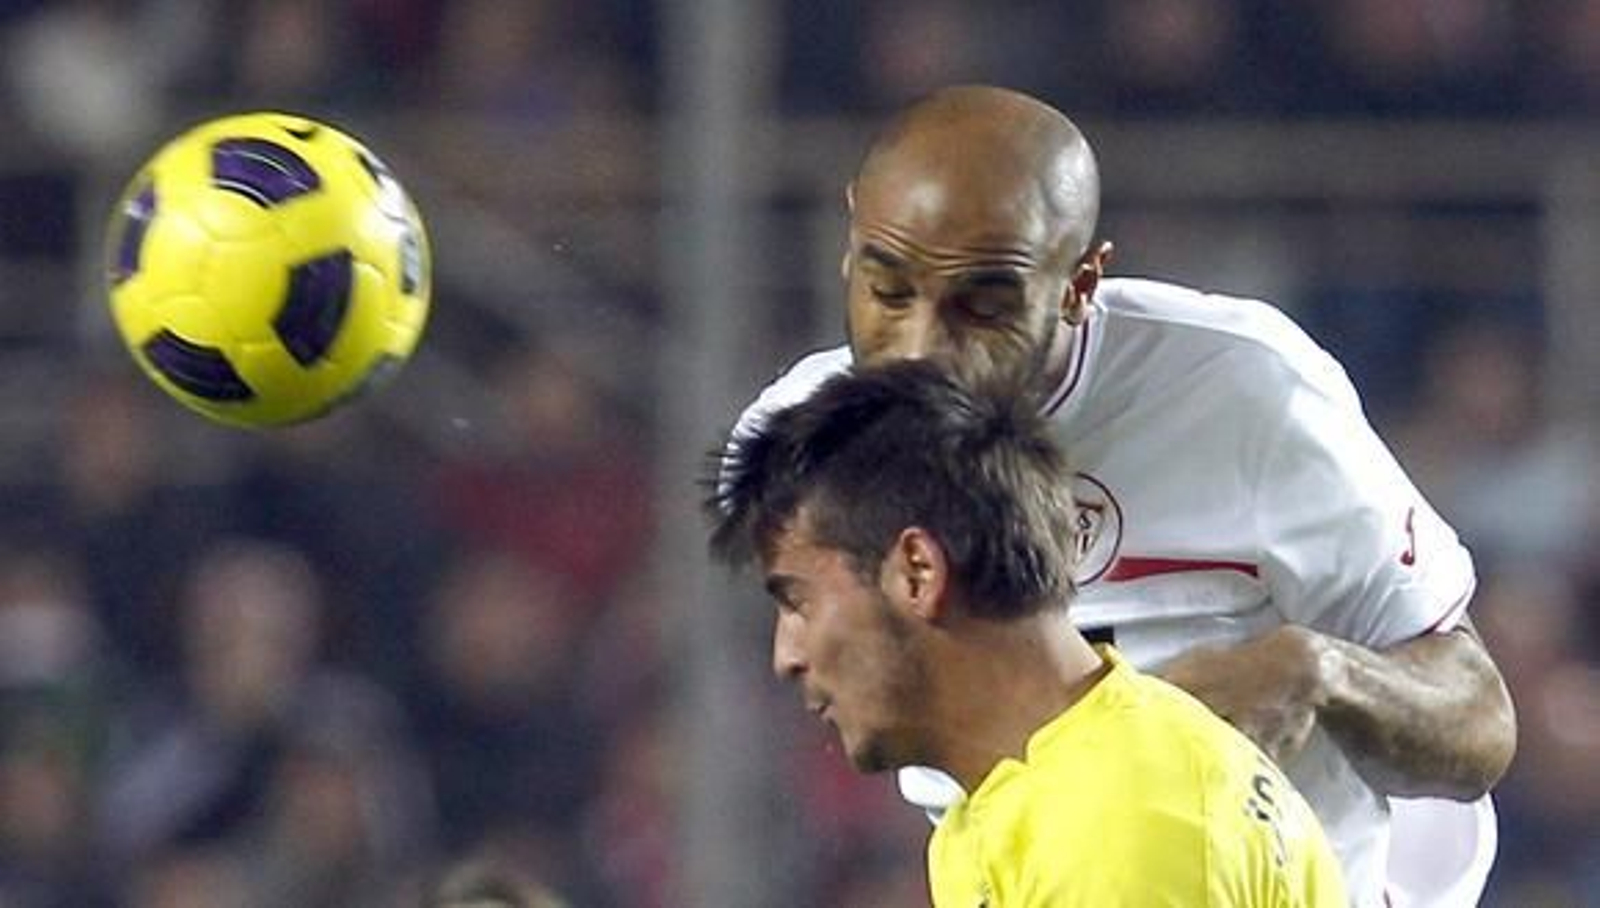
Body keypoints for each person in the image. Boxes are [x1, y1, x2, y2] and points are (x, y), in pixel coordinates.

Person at [729, 85, 1515, 907]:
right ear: (850, 246)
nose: (925, 350)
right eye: (890, 292)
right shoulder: (809, 446)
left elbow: (1479, 723)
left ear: (1080, 283)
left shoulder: (1244, 390)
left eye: (985, 307)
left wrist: (1317, 674)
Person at [709, 360, 1346, 905]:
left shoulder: (1116, 829)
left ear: (918, 572)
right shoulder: (1027, 801)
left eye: (798, 602)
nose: (786, 656)